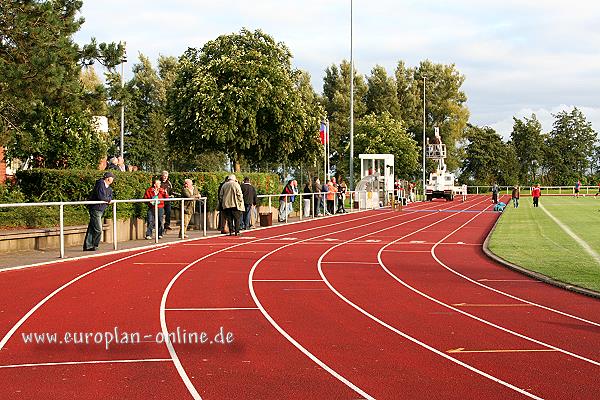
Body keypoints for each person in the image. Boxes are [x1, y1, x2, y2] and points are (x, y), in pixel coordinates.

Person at [83, 172, 114, 251]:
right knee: (98, 229)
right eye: (112, 177)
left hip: (101, 209)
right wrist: (108, 200)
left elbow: (110, 196)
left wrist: (107, 199)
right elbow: (101, 196)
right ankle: (94, 245)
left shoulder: (109, 188)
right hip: (95, 209)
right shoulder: (100, 184)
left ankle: (88, 245)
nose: (113, 179)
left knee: (92, 228)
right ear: (108, 178)